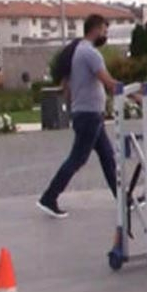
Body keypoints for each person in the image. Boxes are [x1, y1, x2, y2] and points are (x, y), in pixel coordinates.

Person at [38, 14, 118, 218]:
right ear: (97, 28)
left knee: (108, 157)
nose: (105, 35)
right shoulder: (90, 54)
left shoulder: (77, 51)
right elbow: (108, 82)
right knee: (77, 159)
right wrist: (134, 94)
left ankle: (123, 198)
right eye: (105, 30)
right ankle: (49, 197)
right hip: (89, 115)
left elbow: (67, 86)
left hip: (89, 114)